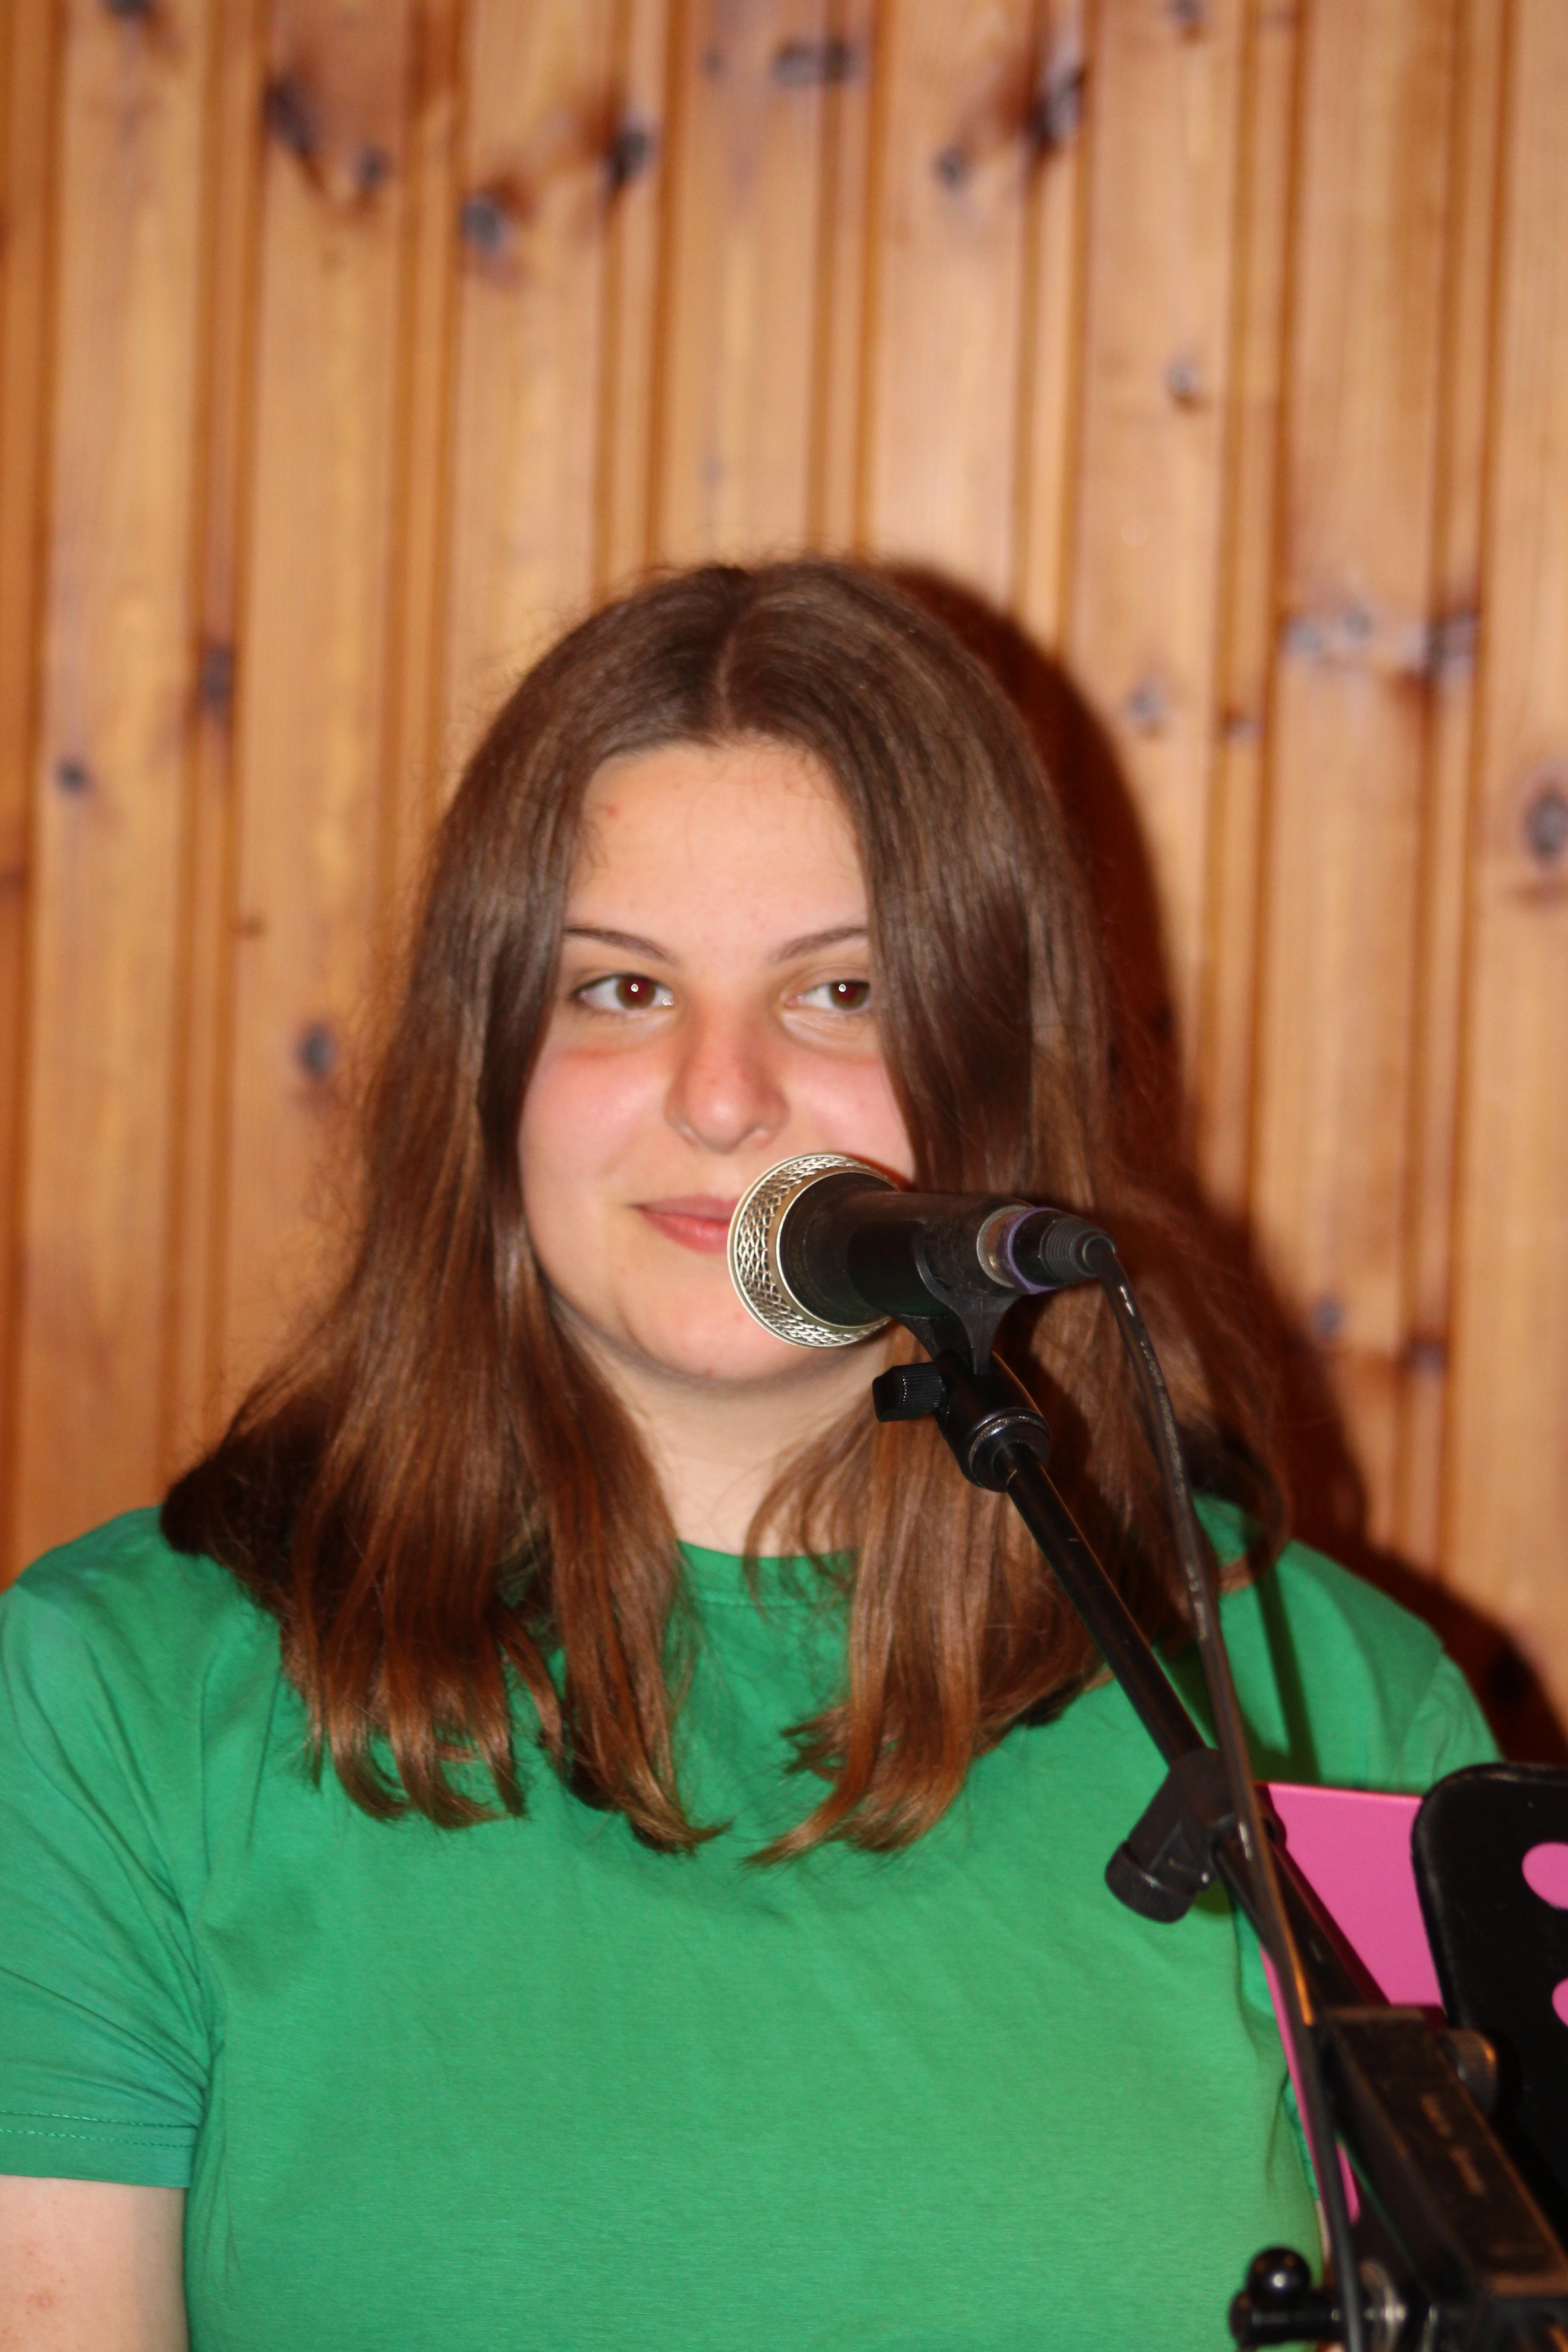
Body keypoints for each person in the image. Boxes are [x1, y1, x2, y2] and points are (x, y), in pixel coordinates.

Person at [0, 562, 1495, 2350]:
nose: (721, 1096)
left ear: (992, 1070)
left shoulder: (1340, 1709)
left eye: (840, 989)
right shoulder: (117, 1703)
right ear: (485, 1074)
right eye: (620, 991)